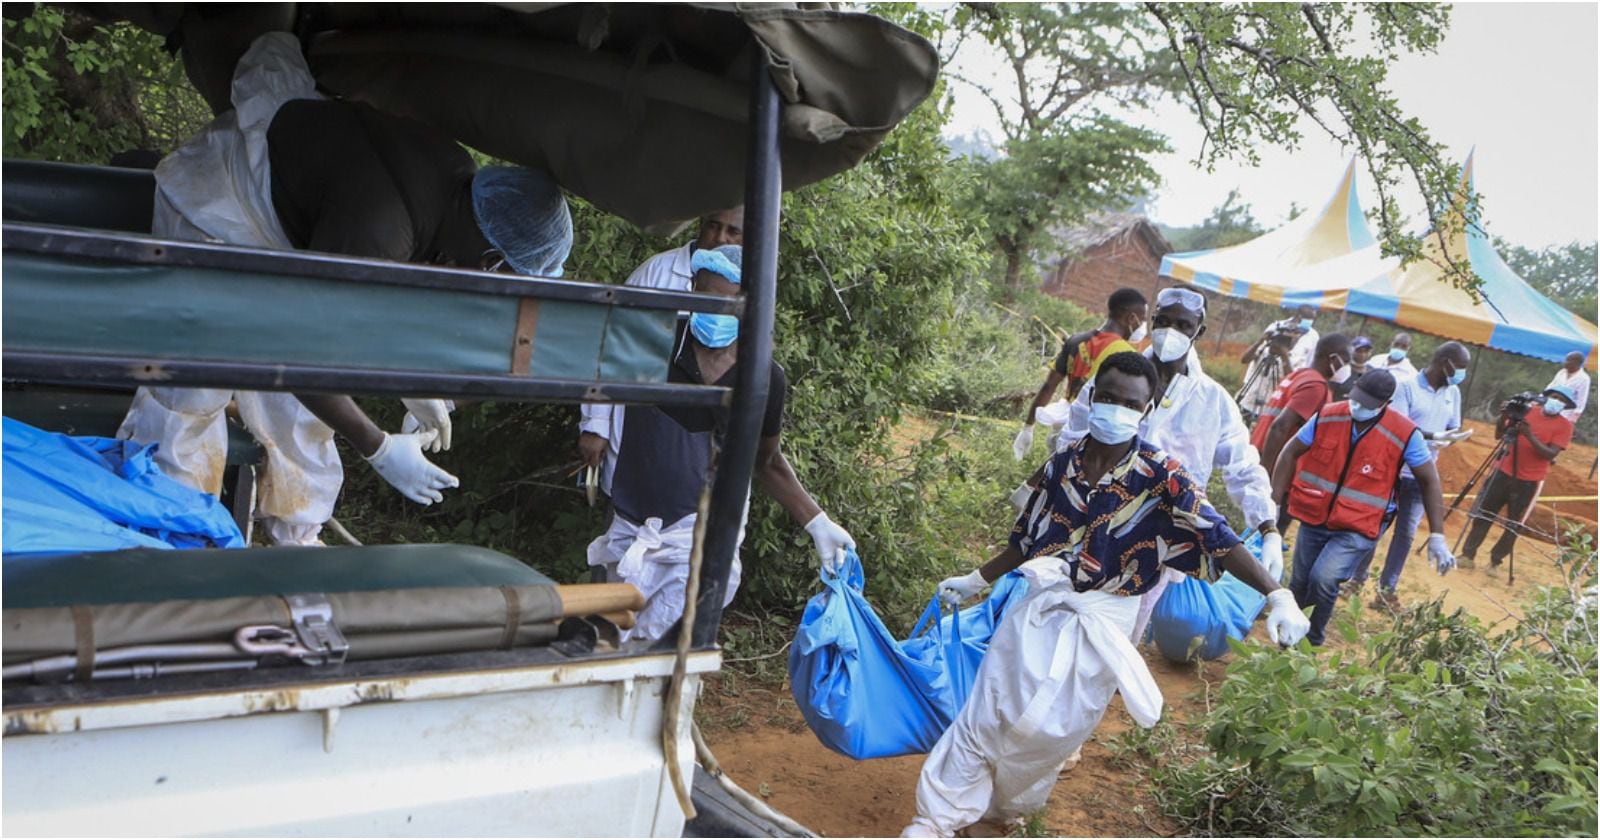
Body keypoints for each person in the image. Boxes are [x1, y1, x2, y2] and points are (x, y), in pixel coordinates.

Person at [117, 33, 573, 544]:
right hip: (216, 208)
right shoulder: (380, 225)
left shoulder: (456, 180)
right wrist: (377, 446)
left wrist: (411, 376)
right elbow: (301, 354)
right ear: (492, 261)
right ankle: (162, 538)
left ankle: (297, 540)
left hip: (290, 228)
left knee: (302, 416)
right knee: (193, 390)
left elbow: (384, 293)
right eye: (507, 279)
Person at [904, 352, 1309, 838]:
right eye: (1109, 397)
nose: (1117, 409)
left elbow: (1219, 540)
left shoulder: (1165, 477)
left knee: (1051, 731)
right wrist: (977, 579)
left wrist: (1277, 594)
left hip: (1103, 620)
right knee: (987, 712)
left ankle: (999, 811)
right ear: (1093, 397)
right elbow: (1025, 539)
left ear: (1148, 408)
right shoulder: (1063, 464)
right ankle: (937, 817)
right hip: (1039, 607)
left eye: (1130, 403)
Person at [578, 245, 855, 642]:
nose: (712, 311)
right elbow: (594, 357)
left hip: (698, 532)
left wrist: (817, 522)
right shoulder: (656, 344)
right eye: (703, 297)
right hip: (631, 521)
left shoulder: (761, 377)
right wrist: (595, 424)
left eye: (726, 304)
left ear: (751, 307)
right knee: (606, 640)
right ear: (690, 289)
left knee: (671, 647)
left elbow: (766, 459)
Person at [1052, 286, 1284, 642]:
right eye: (1162, 321)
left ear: (1199, 331)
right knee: (1064, 621)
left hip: (1154, 543)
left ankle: (1098, 689)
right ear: (1151, 320)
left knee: (1120, 637)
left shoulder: (1213, 402)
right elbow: (1071, 443)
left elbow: (1243, 467)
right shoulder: (1114, 380)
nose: (1169, 332)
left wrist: (1268, 528)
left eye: (1182, 324)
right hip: (1090, 525)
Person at [1269, 369, 1455, 646]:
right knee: (1300, 581)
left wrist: (1437, 535)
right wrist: (1273, 502)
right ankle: (1287, 643)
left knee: (1324, 578)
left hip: (1359, 525)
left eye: (1367, 404)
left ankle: (1310, 643)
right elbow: (1290, 452)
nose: (1358, 407)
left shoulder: (1404, 434)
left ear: (1386, 404)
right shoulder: (1329, 415)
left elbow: (1429, 480)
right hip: (1315, 514)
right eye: (1356, 399)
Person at [1348, 342, 1473, 609]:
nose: (1462, 373)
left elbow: (1454, 425)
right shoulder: (1406, 387)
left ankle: (1386, 591)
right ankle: (1354, 579)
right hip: (1394, 471)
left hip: (1421, 475)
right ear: (1446, 362)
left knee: (1405, 535)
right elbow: (1400, 427)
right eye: (1460, 367)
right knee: (1374, 528)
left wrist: (1448, 438)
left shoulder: (1454, 392)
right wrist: (1434, 436)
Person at [1011, 288, 1147, 461]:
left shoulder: (1076, 340)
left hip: (1061, 429)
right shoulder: (1126, 355)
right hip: (1093, 433)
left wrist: (1028, 427)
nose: (1143, 327)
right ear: (1130, 318)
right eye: (1142, 320)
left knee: (1052, 473)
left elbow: (1049, 385)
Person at [1460, 385, 1578, 569]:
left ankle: (1495, 561)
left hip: (1529, 480)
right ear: (1546, 397)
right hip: (1503, 471)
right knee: (1484, 514)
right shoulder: (1527, 411)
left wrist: (1529, 435)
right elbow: (1500, 435)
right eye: (1555, 397)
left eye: (1563, 401)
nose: (1558, 402)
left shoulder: (1564, 426)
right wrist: (1505, 416)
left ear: (1566, 406)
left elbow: (1549, 454)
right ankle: (1467, 554)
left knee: (1513, 523)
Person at [1249, 333, 1352, 475]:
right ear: (1333, 359)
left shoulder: (1299, 375)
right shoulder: (1315, 386)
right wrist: (1265, 474)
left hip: (1258, 452)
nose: (1347, 368)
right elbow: (1280, 427)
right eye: (1346, 362)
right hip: (1271, 462)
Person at [1546, 351, 1590, 423]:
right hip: (1551, 406)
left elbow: (1582, 399)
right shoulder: (1562, 372)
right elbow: (1550, 387)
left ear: (1576, 362)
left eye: (1567, 360)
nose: (1565, 362)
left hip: (1566, 412)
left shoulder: (1584, 379)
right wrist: (1540, 399)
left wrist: (1575, 416)